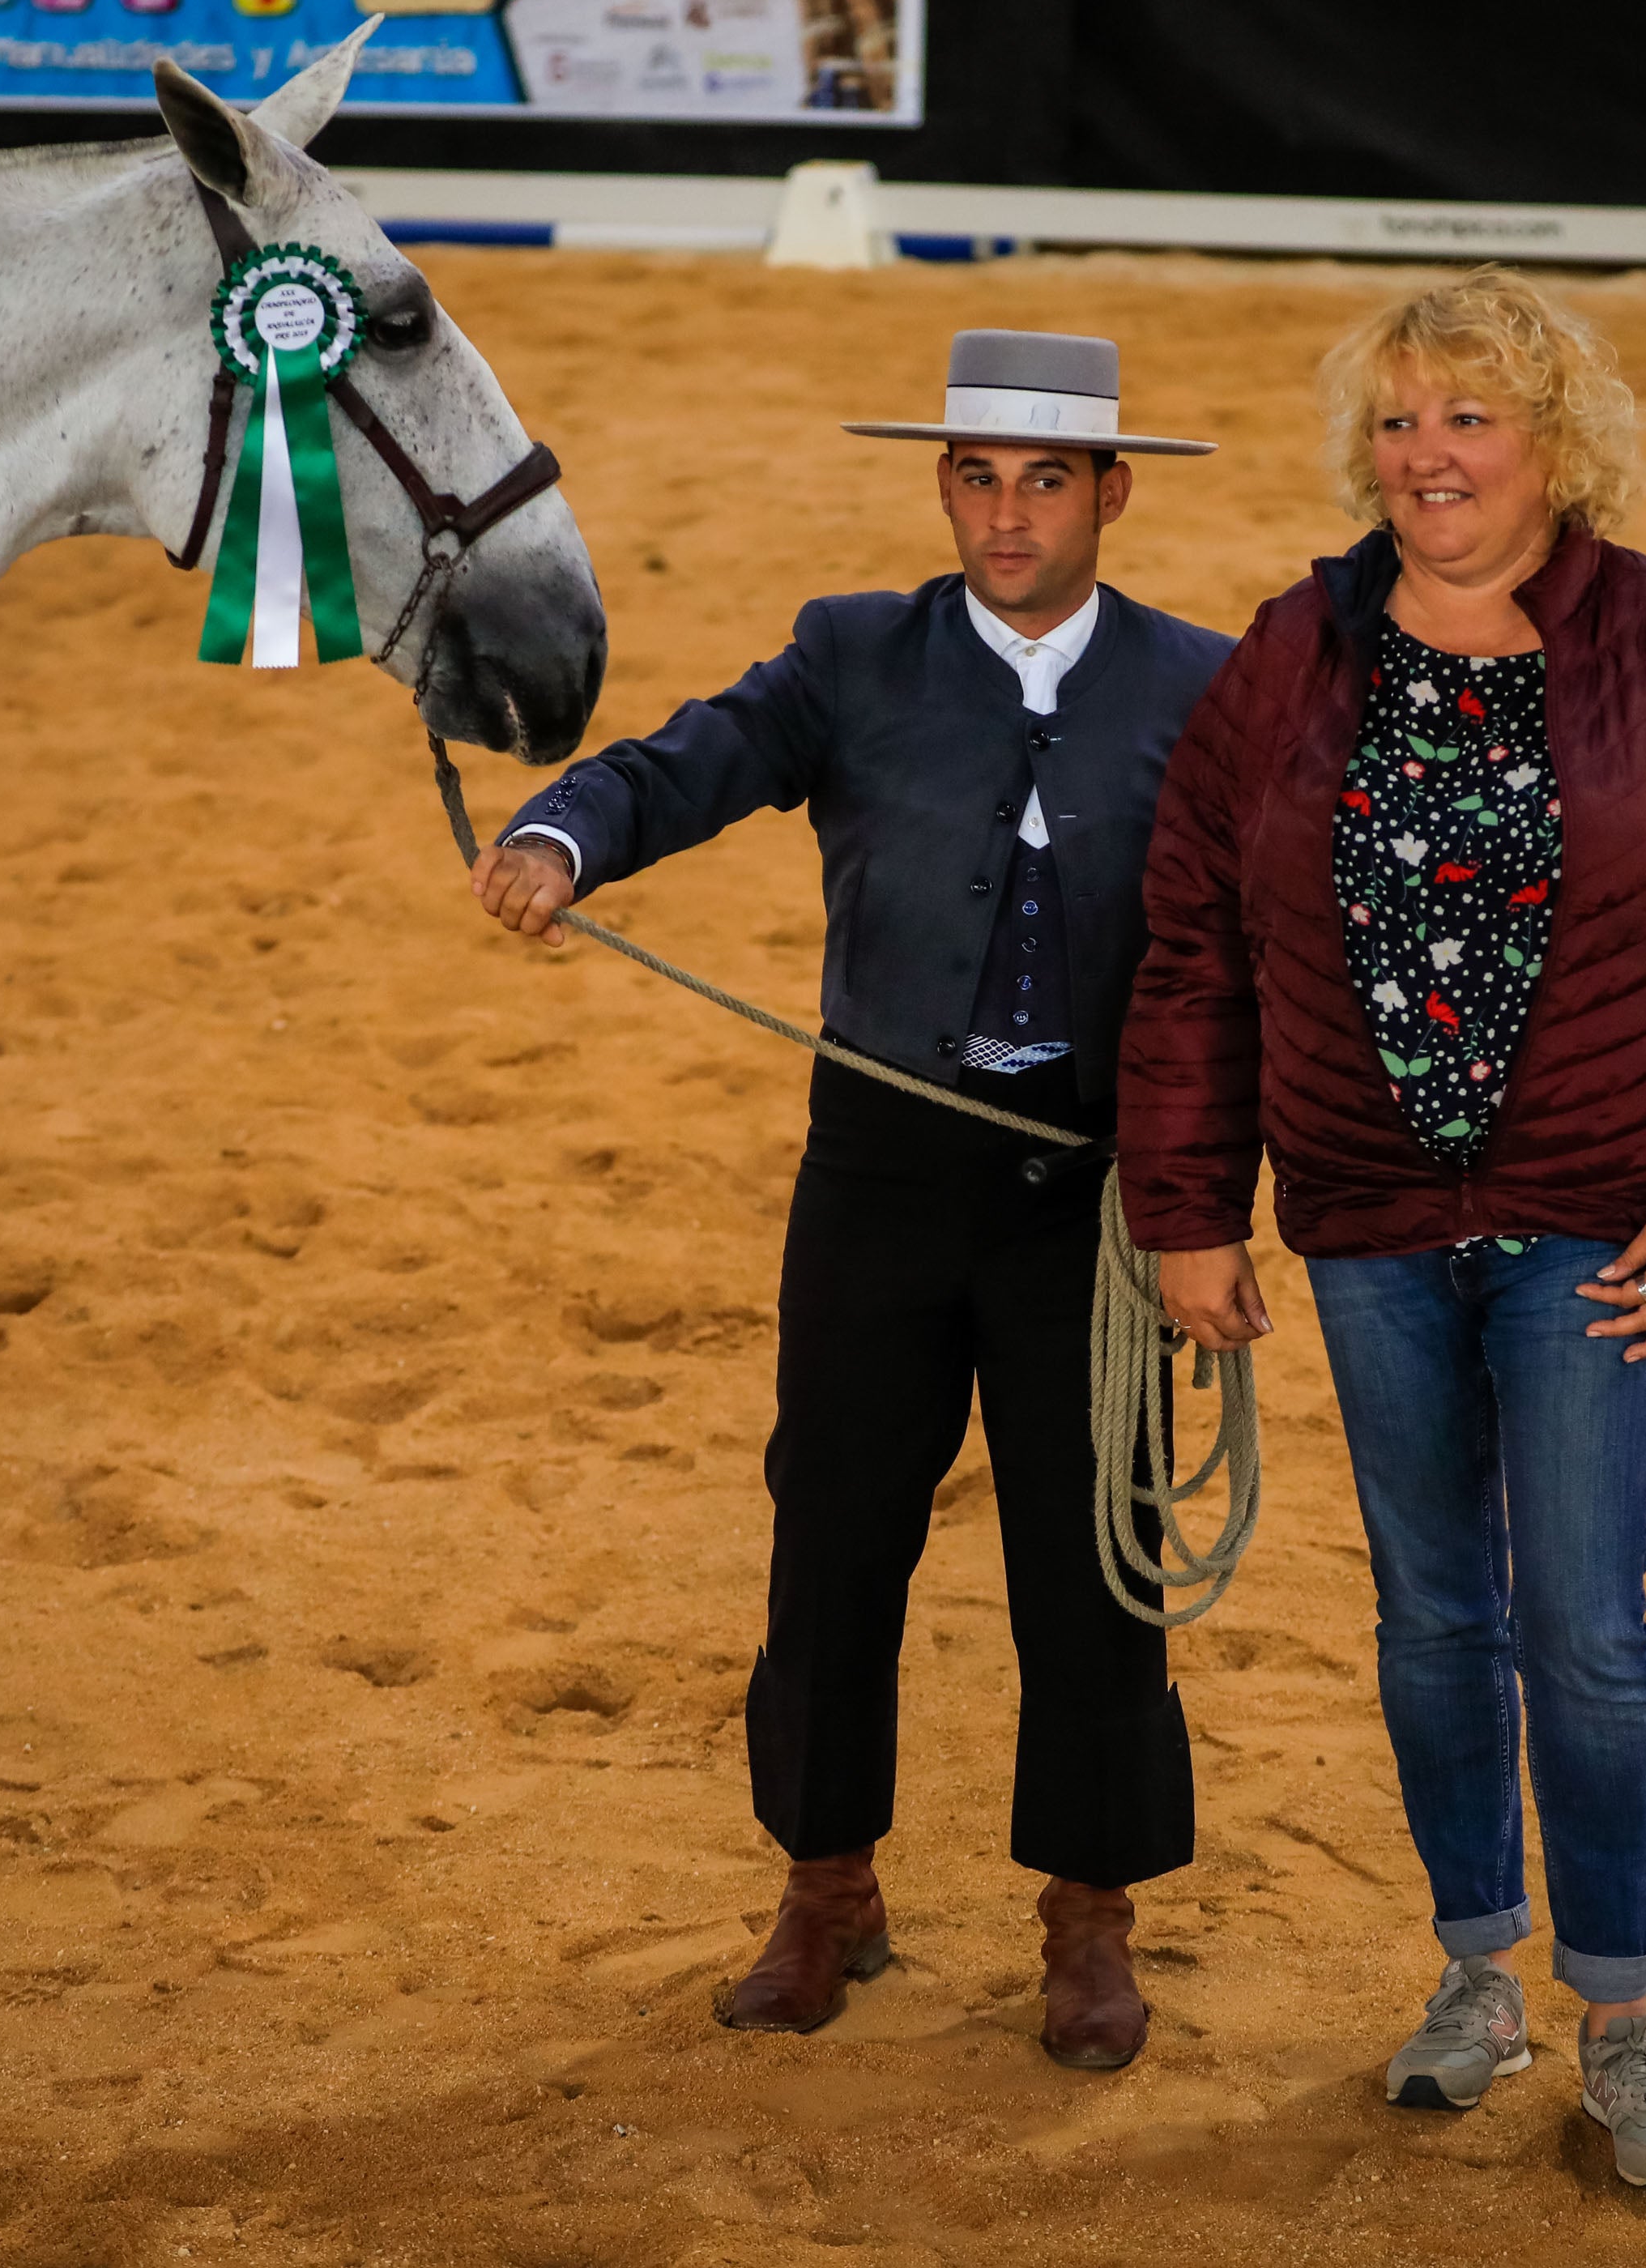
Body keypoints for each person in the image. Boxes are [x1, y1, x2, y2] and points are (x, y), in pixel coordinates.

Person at [1115, 267, 1646, 2187]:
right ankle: (1473, 1972)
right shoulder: (1292, 653)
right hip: (1364, 1220)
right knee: (1434, 1619)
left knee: (1585, 1629)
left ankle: (1622, 2010)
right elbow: (1192, 941)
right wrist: (1188, 1210)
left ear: (1555, 446)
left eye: (1468, 419)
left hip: (1594, 1228)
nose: (1426, 457)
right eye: (1397, 421)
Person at [472, 330, 1227, 2068]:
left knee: (1093, 1558)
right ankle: (830, 1888)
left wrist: (1215, 1191)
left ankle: (1088, 1916)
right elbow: (684, 760)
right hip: (881, 1179)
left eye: (1048, 479)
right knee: (833, 1534)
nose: (1009, 512)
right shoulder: (854, 654)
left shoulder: (1210, 682)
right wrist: (565, 836)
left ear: (1113, 494)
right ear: (941, 486)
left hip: (1094, 1200)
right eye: (978, 475)